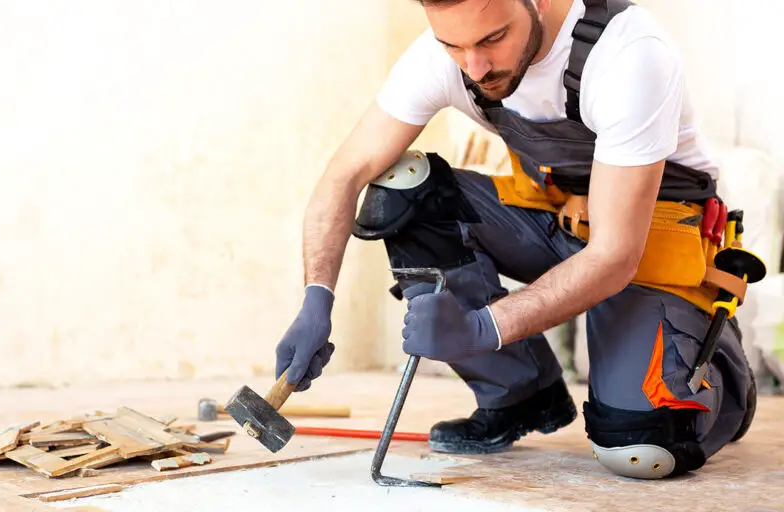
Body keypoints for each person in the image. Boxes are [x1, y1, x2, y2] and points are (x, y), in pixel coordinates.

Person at [272, 0, 765, 480]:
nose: (475, 66)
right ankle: (517, 391)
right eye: (454, 45)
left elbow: (615, 255)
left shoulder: (629, 54)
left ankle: (721, 373)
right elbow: (345, 174)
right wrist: (318, 298)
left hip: (645, 245)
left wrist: (482, 328)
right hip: (555, 221)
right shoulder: (450, 56)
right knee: (400, 188)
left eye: (493, 38)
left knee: (642, 448)